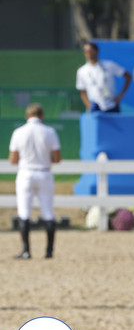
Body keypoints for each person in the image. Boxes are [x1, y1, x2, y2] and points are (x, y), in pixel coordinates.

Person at [8, 103, 61, 259]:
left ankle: (26, 250)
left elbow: (13, 159)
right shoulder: (50, 132)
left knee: (24, 212)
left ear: (27, 116)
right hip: (44, 173)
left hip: (25, 173)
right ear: (42, 116)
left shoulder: (18, 132)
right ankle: (49, 251)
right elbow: (57, 158)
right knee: (48, 213)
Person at [76, 41, 133, 113]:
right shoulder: (82, 71)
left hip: (112, 104)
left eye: (90, 50)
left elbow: (128, 76)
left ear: (96, 51)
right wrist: (89, 105)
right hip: (96, 106)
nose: (88, 53)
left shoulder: (109, 65)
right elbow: (83, 92)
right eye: (86, 51)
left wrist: (121, 95)